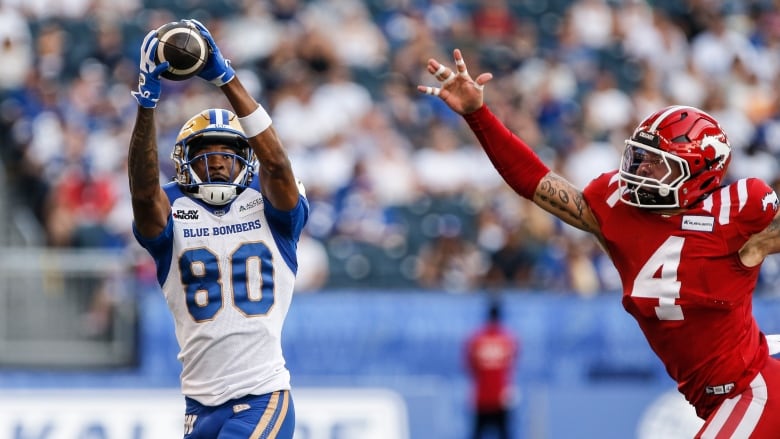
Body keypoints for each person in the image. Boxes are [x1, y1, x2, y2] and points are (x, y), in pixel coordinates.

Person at [419, 49, 780, 438]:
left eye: (658, 164)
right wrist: (478, 115)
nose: (641, 170)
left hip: (751, 387)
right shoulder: (618, 212)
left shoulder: (735, 217)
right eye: (641, 158)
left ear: (699, 173)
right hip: (716, 393)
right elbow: (535, 182)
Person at [129, 19, 307, 438]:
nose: (219, 161)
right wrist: (147, 104)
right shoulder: (171, 206)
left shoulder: (270, 206)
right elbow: (141, 193)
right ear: (184, 160)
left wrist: (225, 77)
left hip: (262, 395)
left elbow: (278, 164)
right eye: (205, 152)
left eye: (228, 152)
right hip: (198, 404)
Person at [465, 299, 519, 439]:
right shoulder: (507, 339)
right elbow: (512, 364)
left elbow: (471, 366)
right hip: (500, 396)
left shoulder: (477, 339)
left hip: (482, 396)